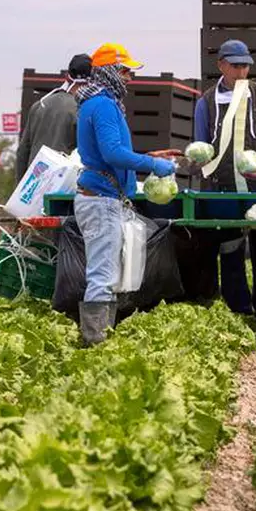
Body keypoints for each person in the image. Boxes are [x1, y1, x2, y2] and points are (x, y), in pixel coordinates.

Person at [73, 42, 176, 346]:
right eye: (125, 71)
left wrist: (148, 156)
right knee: (102, 277)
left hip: (100, 197)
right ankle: (95, 344)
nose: (129, 77)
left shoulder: (94, 102)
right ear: (110, 72)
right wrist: (153, 165)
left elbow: (107, 153)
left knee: (106, 275)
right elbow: (113, 153)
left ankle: (100, 340)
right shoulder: (104, 105)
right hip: (101, 201)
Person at [191, 39, 256, 337]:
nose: (241, 71)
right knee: (229, 252)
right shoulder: (206, 103)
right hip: (221, 191)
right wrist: (197, 158)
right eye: (235, 65)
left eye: (245, 65)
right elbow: (200, 145)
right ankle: (238, 315)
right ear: (221, 65)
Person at [15, 53, 90, 182]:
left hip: (33, 184)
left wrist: (20, 187)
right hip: (61, 185)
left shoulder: (39, 105)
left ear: (67, 76)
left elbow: (23, 152)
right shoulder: (81, 110)